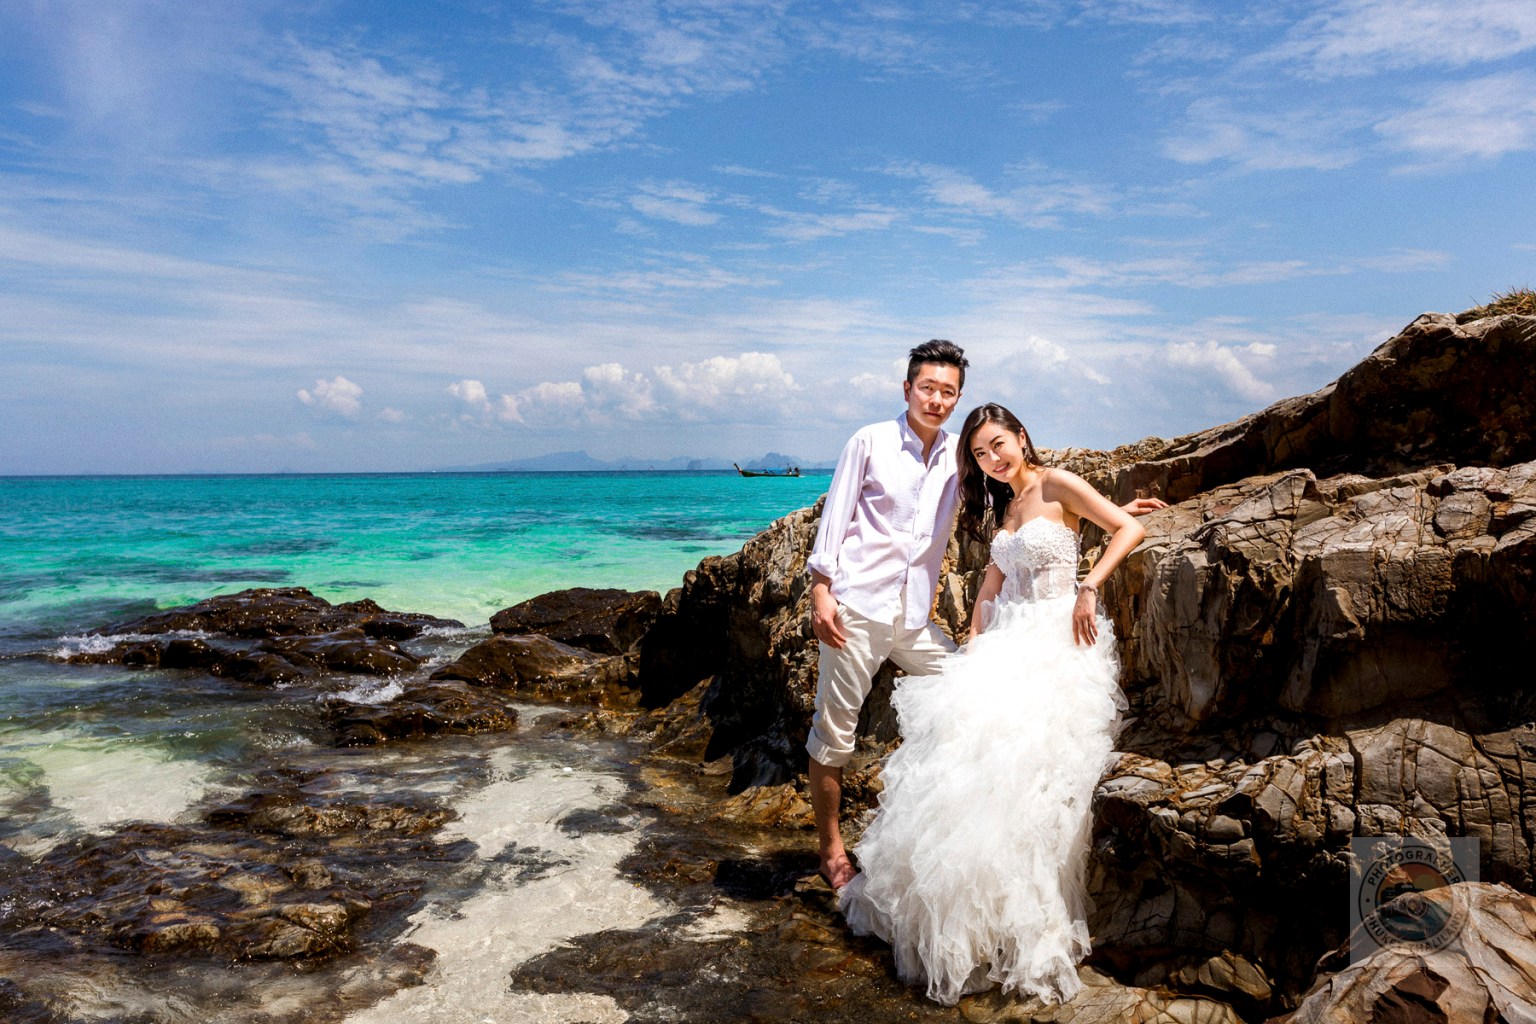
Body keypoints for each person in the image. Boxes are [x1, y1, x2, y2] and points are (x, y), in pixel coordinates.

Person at [838, 402, 1163, 1007]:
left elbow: (1127, 528)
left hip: (1057, 636)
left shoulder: (1057, 482)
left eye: (998, 445)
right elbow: (990, 586)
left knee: (1024, 773)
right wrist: (975, 645)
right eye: (981, 454)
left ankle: (1020, 925)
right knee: (962, 764)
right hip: (1006, 641)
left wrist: (1090, 586)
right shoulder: (1006, 507)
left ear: (1021, 435)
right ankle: (956, 919)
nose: (993, 459)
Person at [806, 339, 969, 890]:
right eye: (928, 388)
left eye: (948, 392)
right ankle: (830, 849)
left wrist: (1108, 508)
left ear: (958, 398)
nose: (937, 399)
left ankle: (933, 824)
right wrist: (820, 591)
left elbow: (1024, 476)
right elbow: (837, 513)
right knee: (834, 734)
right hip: (856, 607)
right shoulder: (869, 440)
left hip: (914, 617)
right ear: (908, 389)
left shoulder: (958, 456)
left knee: (971, 688)